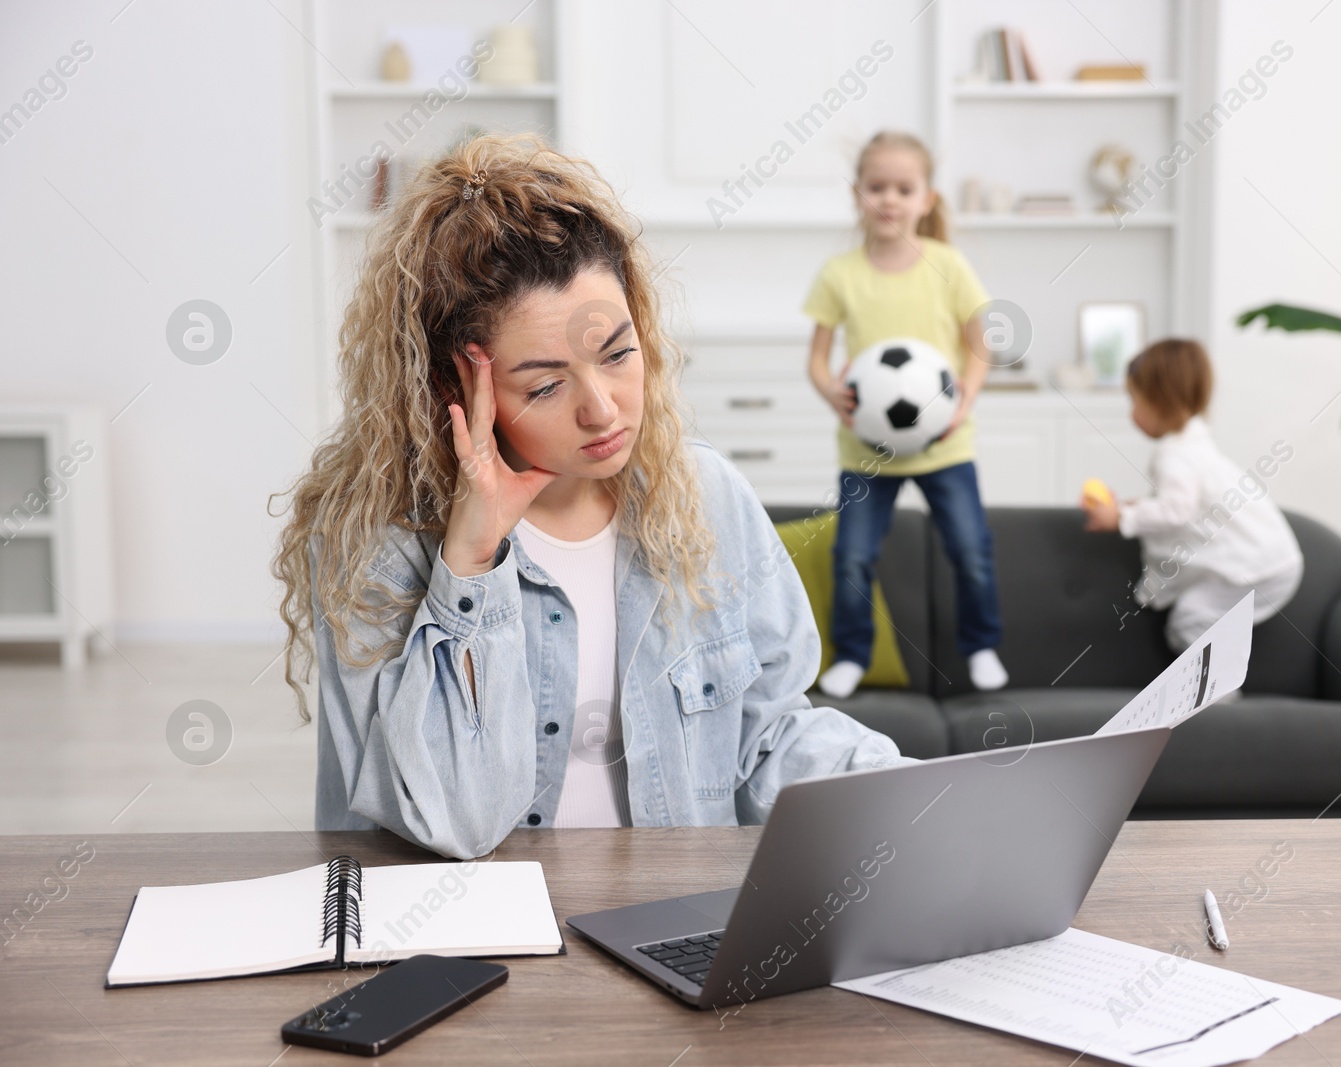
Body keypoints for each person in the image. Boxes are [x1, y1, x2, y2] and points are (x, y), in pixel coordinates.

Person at [270, 133, 908, 861]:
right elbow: (454, 817)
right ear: (452, 390)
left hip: (661, 927)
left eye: (617, 354)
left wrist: (922, 795)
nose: (603, 410)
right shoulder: (373, 539)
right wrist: (471, 561)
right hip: (459, 943)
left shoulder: (707, 496)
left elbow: (765, 737)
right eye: (544, 385)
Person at [802, 130, 1008, 699]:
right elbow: (818, 360)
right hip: (868, 450)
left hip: (946, 444)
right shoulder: (840, 274)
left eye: (903, 187)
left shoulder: (948, 264)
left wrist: (965, 394)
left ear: (927, 199)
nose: (889, 198)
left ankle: (981, 644)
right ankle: (852, 653)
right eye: (877, 187)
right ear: (857, 194)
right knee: (853, 556)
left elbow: (981, 340)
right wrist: (830, 392)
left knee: (970, 549)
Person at [1083, 338, 1303, 651]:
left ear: (1160, 401)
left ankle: (1218, 697)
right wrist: (1137, 505)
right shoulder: (1193, 443)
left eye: (1134, 400)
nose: (1131, 412)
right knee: (1197, 617)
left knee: (1189, 620)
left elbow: (1176, 511)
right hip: (1275, 561)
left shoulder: (1173, 455)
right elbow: (1189, 503)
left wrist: (1120, 517)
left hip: (1259, 568)